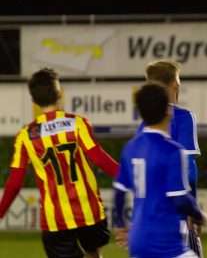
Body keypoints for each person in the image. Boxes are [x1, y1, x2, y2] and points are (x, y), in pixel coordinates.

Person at [0, 68, 119, 258]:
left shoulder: (26, 136)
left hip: (56, 219)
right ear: (59, 93)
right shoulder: (78, 123)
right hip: (89, 211)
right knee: (94, 253)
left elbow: (15, 182)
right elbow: (100, 158)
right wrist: (132, 179)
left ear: (34, 100)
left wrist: (0, 212)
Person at [112, 82, 207, 258]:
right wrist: (198, 214)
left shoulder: (131, 147)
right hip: (165, 240)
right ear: (168, 111)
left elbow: (119, 192)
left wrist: (119, 224)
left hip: (138, 239)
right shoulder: (173, 150)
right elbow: (179, 197)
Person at [136, 60, 203, 256]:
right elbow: (188, 169)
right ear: (175, 84)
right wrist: (193, 209)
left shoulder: (144, 125)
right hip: (176, 217)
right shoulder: (183, 117)